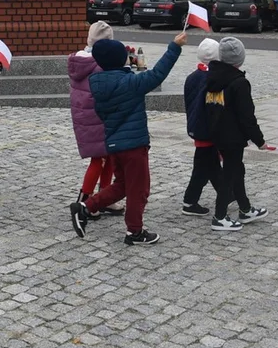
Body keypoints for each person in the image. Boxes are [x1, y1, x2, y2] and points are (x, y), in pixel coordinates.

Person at [69, 31, 188, 246]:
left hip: (114, 144)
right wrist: (174, 47)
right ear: (119, 61)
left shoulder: (97, 83)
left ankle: (86, 207)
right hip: (133, 146)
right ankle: (135, 231)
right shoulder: (130, 83)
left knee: (123, 185)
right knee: (139, 189)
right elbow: (158, 74)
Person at [205, 37, 269, 231]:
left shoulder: (212, 77)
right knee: (229, 175)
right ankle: (220, 216)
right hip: (232, 136)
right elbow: (247, 116)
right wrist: (260, 141)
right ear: (239, 59)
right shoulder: (239, 83)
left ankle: (245, 208)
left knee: (237, 171)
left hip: (218, 133)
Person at [68, 21, 124, 218]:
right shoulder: (99, 65)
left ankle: (104, 198)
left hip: (86, 115)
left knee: (108, 156)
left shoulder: (80, 60)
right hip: (98, 117)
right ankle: (84, 199)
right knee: (99, 158)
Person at [181, 38, 222, 216]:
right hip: (208, 129)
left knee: (210, 162)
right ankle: (189, 201)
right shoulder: (214, 80)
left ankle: (227, 192)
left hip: (196, 126)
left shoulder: (192, 77)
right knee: (202, 165)